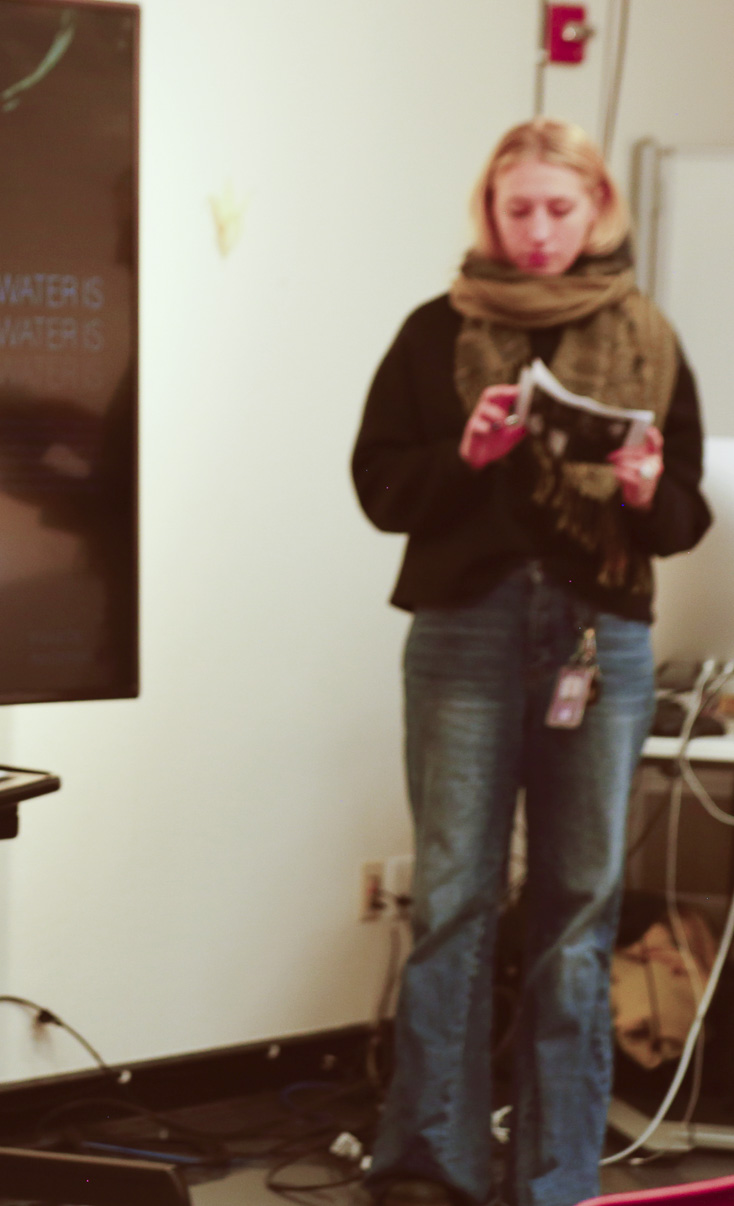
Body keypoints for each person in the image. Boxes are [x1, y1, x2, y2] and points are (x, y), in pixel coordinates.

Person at [352, 118, 713, 1206]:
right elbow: (379, 489)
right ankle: (430, 1165)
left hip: (599, 639)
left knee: (577, 905)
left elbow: (684, 513)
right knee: (454, 899)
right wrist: (464, 457)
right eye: (519, 209)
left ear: (595, 206)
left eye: (560, 208)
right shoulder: (431, 332)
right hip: (464, 630)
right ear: (489, 211)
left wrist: (649, 491)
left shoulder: (647, 334)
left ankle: (553, 1174)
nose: (539, 230)